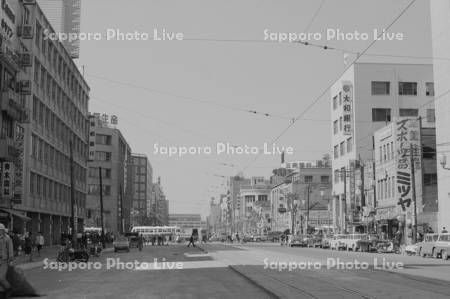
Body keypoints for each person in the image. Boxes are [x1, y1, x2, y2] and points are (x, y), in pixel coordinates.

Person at [0, 223, 14, 294]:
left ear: (3, 230)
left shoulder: (7, 238)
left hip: (4, 261)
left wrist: (10, 260)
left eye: (0, 230)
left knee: (1, 278)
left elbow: (10, 250)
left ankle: (9, 289)